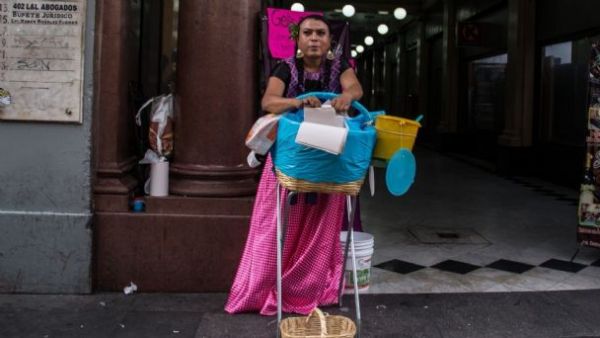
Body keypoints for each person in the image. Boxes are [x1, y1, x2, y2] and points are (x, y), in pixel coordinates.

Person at [225, 15, 363, 316]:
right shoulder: (285, 68)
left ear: (330, 42)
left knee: (321, 226)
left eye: (321, 34)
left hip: (327, 161)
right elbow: (268, 101)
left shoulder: (341, 68)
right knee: (274, 226)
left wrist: (345, 96)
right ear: (298, 40)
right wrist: (297, 102)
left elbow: (355, 91)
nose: (314, 38)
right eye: (308, 33)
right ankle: (263, 288)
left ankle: (309, 287)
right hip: (288, 162)